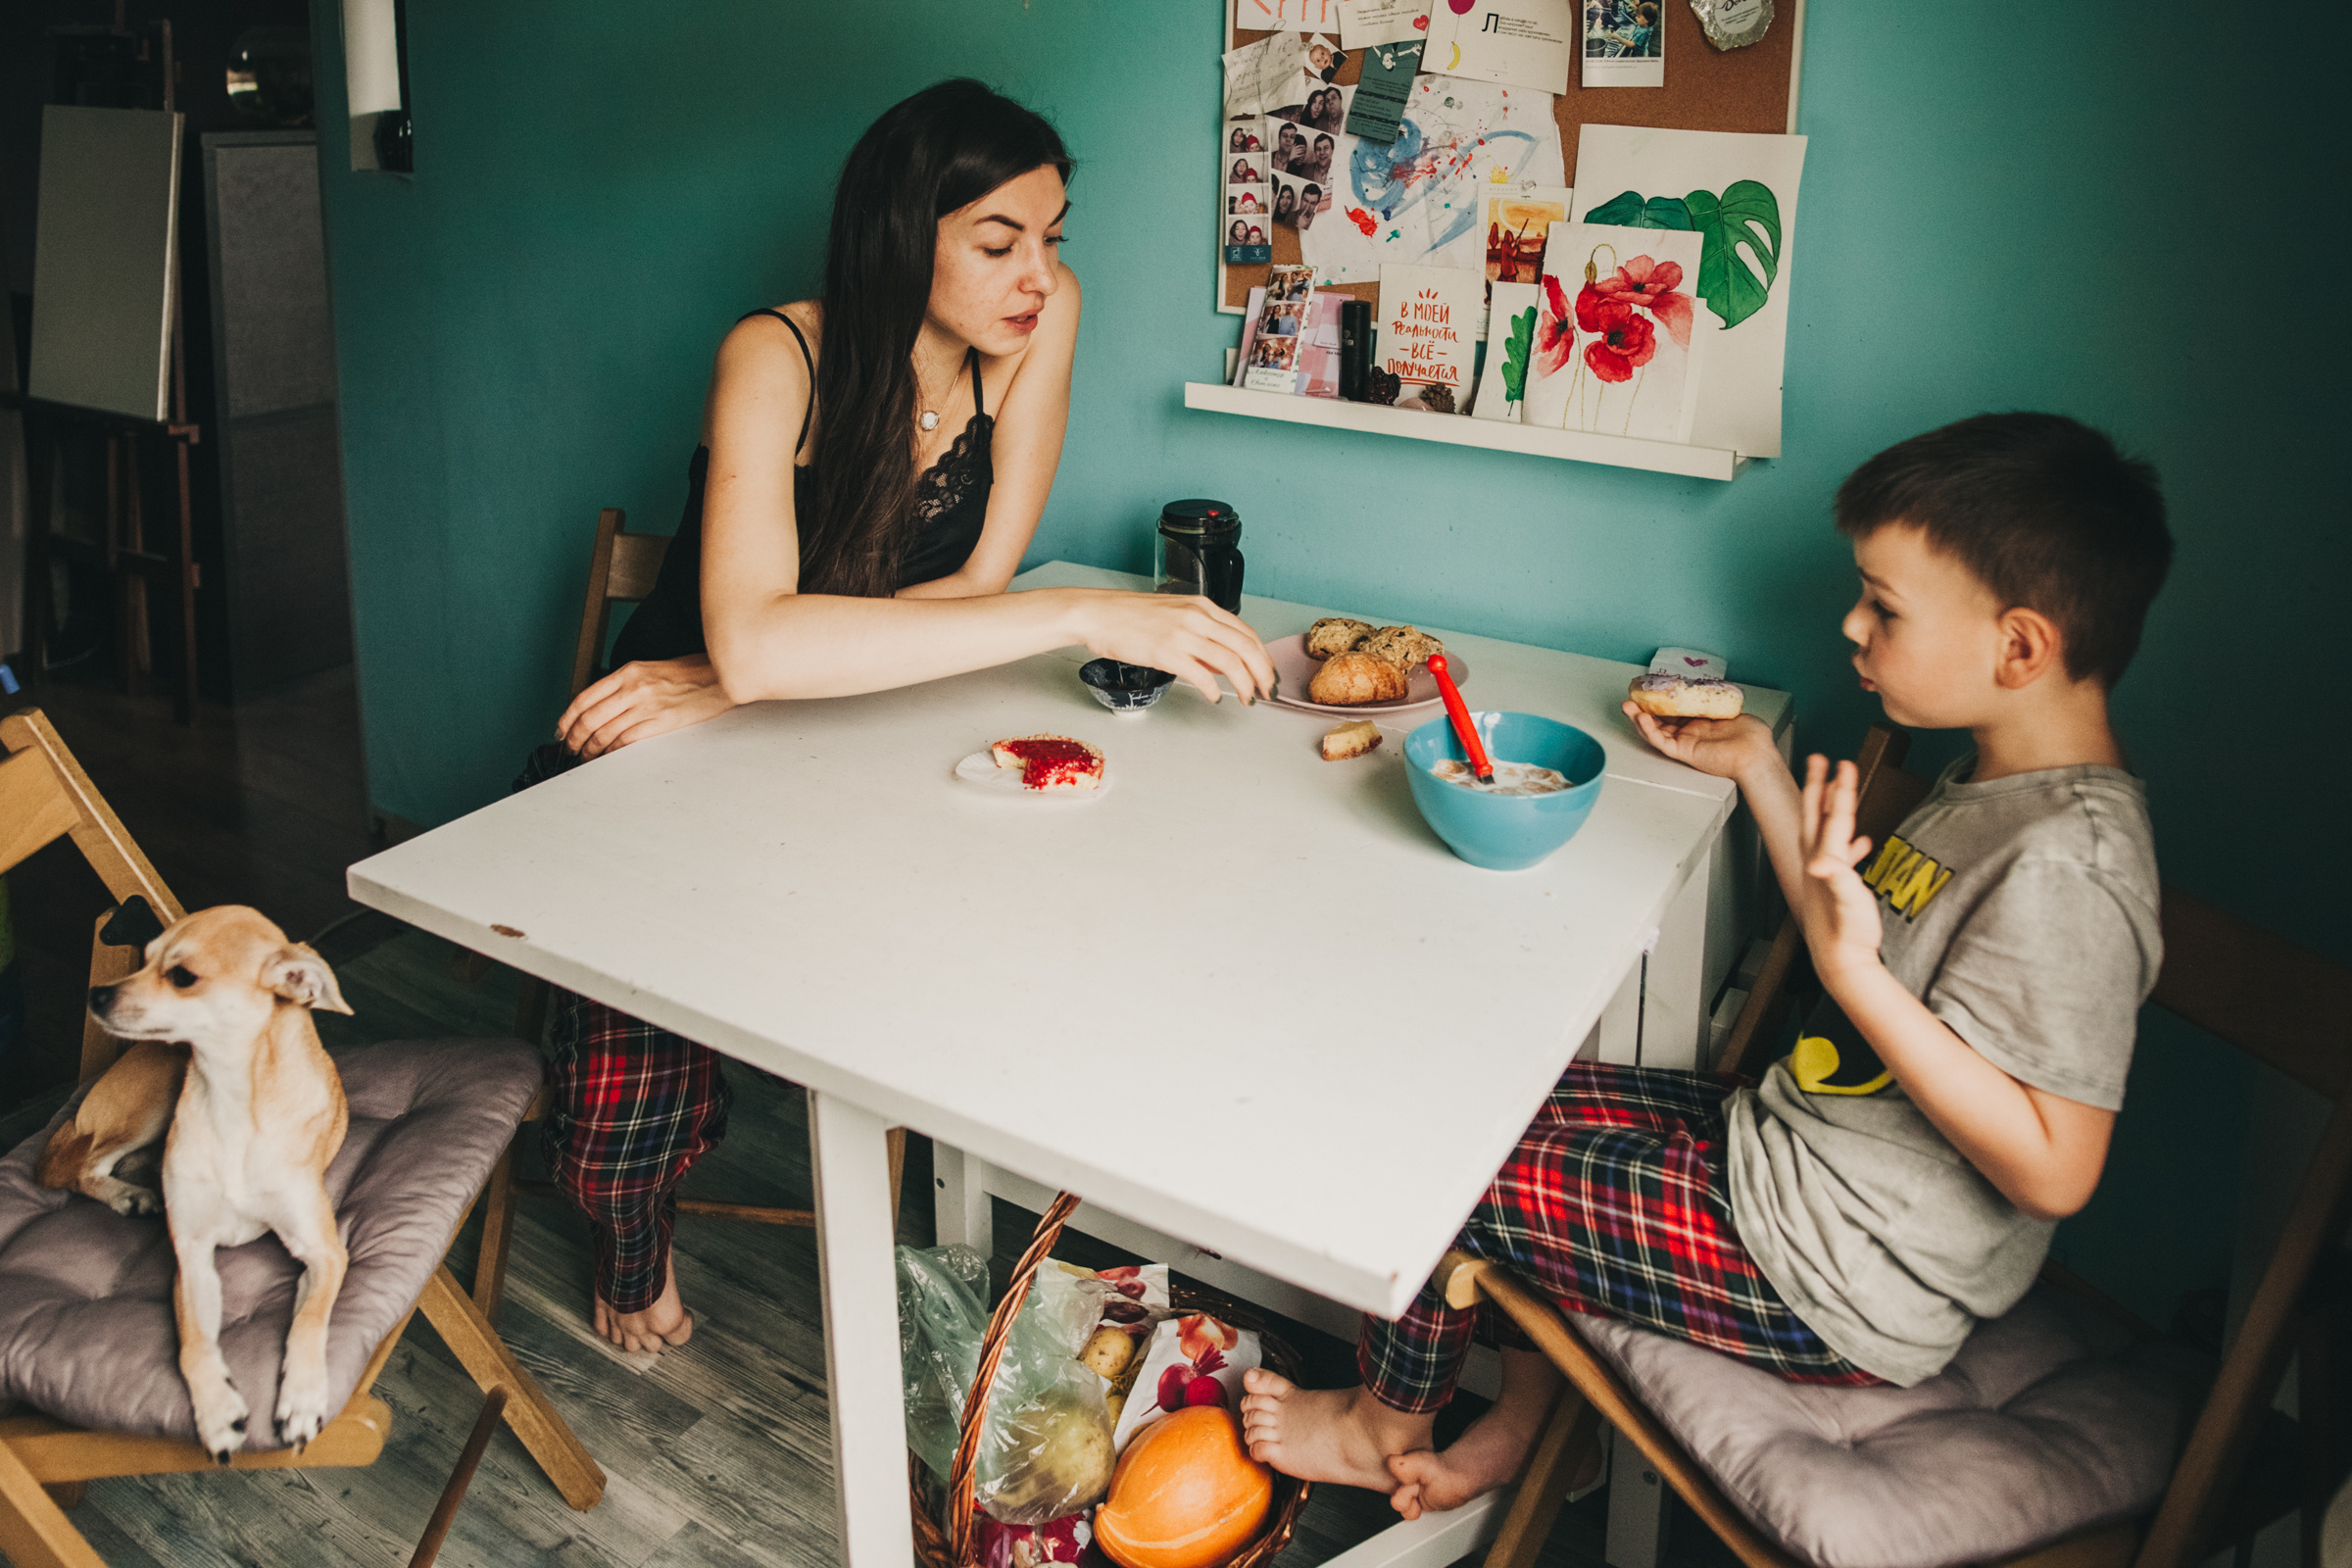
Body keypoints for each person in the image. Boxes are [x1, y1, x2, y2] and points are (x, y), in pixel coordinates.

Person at [1239, 414, 2171, 1519]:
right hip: (1785, 1158)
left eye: (1885, 605)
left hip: (1829, 1274)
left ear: (2019, 646)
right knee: (1476, 1101)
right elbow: (1861, 924)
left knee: (1448, 1171)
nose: (1851, 623)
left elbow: (2056, 1169)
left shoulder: (2072, 864)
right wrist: (1762, 772)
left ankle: (1377, 1424)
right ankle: (1539, 1424)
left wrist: (1853, 971)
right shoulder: (1996, 785)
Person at [543, 78, 1275, 1354]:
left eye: (1052, 237)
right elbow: (769, 627)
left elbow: (975, 580)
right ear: (900, 234)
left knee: (974, 909)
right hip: (656, 733)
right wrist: (1080, 613)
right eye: (998, 243)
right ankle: (625, 1217)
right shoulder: (774, 355)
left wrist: (737, 673)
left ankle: (976, 1213)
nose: (1037, 274)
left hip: (809, 701)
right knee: (640, 974)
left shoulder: (1042, 327)